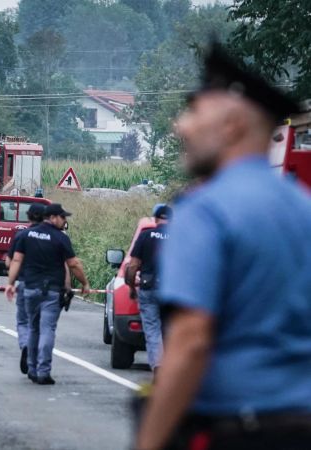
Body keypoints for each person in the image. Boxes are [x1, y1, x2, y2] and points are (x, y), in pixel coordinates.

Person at [134, 43, 311, 450]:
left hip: (238, 429)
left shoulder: (205, 211)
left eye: (194, 112)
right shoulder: (303, 209)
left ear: (232, 125)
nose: (181, 127)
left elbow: (192, 340)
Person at [5, 204, 89, 385]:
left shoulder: (26, 235)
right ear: (53, 217)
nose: (65, 221)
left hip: (30, 289)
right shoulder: (60, 238)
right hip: (51, 291)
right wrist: (84, 283)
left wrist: (11, 284)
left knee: (33, 328)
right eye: (62, 217)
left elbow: (16, 260)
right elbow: (72, 264)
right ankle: (44, 371)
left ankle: (32, 369)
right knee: (47, 329)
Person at [125, 203, 171, 376]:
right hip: (172, 291)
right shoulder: (181, 236)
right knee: (170, 329)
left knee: (152, 329)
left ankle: (158, 365)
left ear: (156, 218)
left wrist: (131, 287)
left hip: (149, 287)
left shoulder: (145, 235)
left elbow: (133, 265)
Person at [4, 203, 46, 375]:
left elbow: (10, 261)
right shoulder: (56, 236)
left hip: (26, 284)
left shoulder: (22, 236)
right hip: (49, 288)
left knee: (23, 321)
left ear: (28, 217)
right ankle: (40, 359)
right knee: (42, 325)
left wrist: (11, 282)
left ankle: (25, 344)